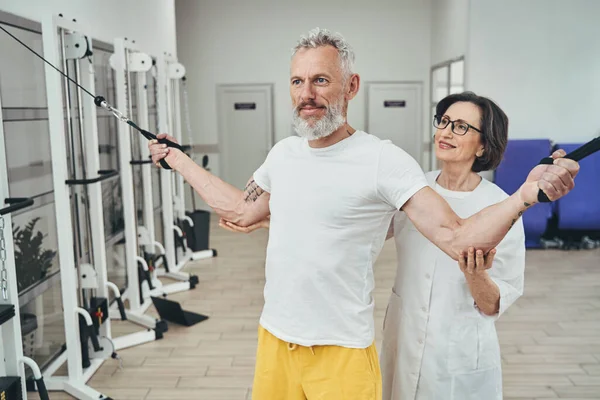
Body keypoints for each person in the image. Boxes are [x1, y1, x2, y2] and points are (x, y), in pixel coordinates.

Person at [148, 28, 579, 400]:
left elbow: (456, 237)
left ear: (351, 86)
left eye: (320, 80)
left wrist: (525, 195)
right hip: (275, 336)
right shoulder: (283, 154)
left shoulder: (384, 162)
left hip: (342, 348)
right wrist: (178, 160)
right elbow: (242, 210)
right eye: (297, 81)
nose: (307, 94)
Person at [380, 92, 525, 400]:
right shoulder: (413, 189)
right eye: (444, 122)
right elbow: (368, 232)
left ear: (484, 144)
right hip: (403, 335)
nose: (445, 132)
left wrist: (476, 275)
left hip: (458, 350)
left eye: (460, 126)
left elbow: (494, 303)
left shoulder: (501, 206)